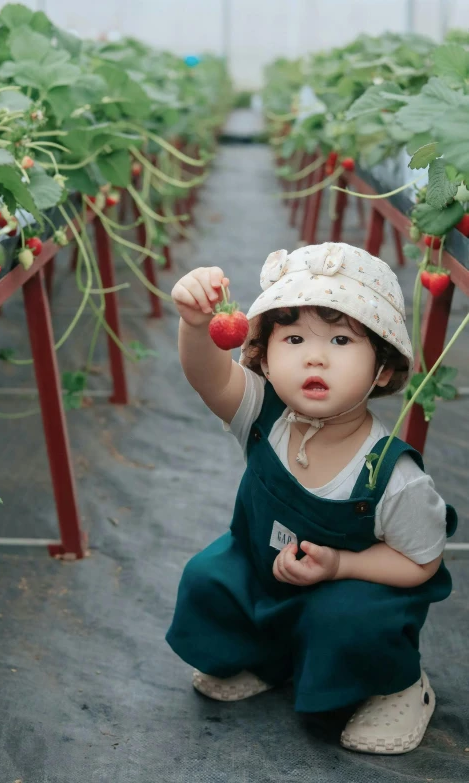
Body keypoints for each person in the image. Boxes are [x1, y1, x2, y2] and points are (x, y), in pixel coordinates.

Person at [166, 242, 456, 755]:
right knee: (210, 576)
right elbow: (206, 376)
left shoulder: (394, 475)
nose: (315, 355)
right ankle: (270, 656)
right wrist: (195, 325)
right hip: (265, 575)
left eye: (342, 339)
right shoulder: (261, 412)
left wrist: (342, 564)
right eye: (294, 338)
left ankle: (399, 686)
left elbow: (421, 563)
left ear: (383, 370)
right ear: (265, 358)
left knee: (347, 620)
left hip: (346, 589)